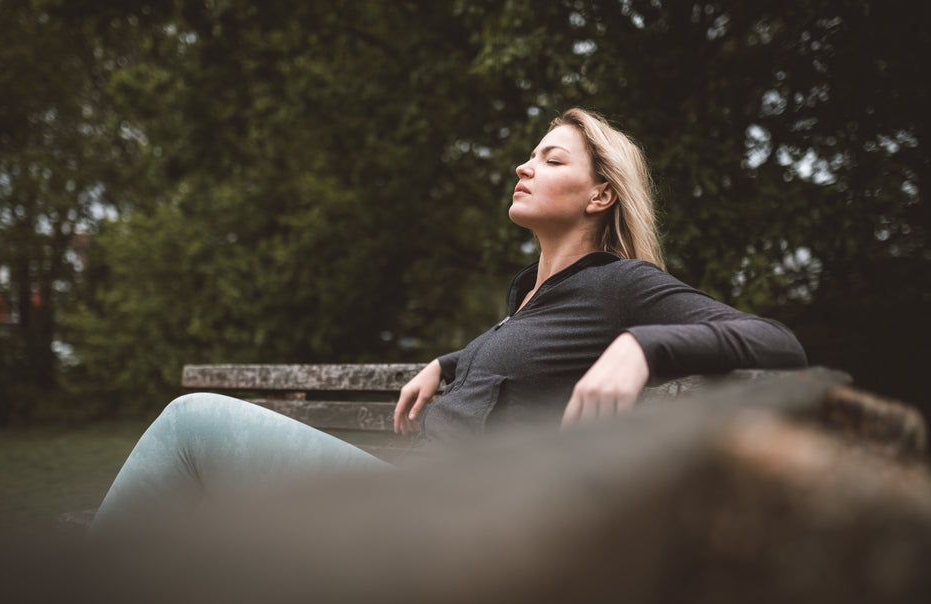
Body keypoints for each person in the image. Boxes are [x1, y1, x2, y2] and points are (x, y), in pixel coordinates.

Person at [88, 108, 807, 536]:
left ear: (598, 197)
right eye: (528, 154)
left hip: (433, 522)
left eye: (550, 157)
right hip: (405, 499)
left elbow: (779, 342)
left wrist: (643, 345)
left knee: (191, 424)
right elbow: (519, 358)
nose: (523, 166)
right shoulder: (528, 295)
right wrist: (451, 361)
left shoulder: (622, 287)